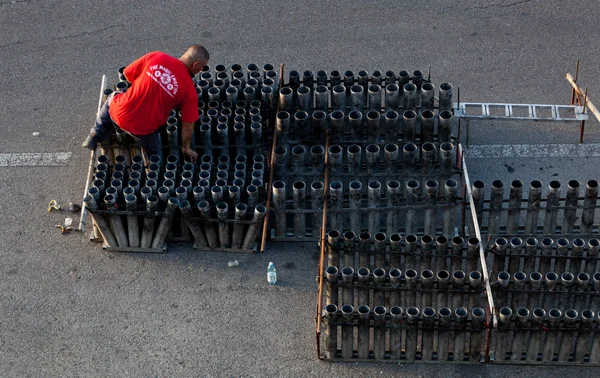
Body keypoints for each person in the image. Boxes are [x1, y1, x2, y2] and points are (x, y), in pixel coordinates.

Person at [82, 44, 209, 162]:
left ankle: (95, 135)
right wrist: (186, 148)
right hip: (145, 130)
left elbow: (127, 74)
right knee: (155, 157)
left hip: (120, 112)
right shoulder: (189, 91)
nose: (202, 69)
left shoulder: (156, 56)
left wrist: (146, 88)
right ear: (195, 65)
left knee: (112, 97)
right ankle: (153, 174)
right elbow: (188, 125)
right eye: (202, 67)